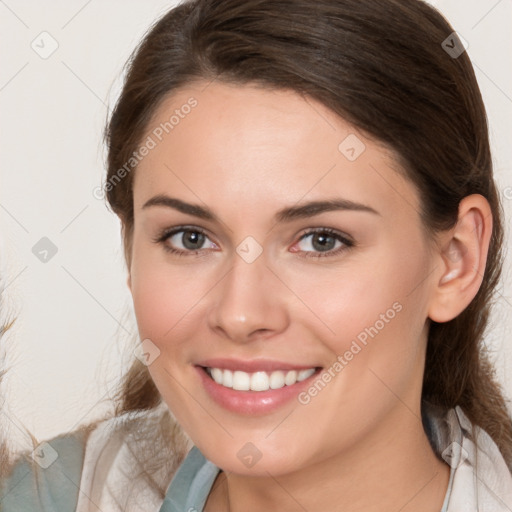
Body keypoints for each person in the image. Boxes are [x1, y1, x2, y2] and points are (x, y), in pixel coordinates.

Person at [2, 0, 512, 510]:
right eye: (190, 238)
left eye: (321, 240)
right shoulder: (48, 497)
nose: (240, 314)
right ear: (130, 249)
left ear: (455, 260)